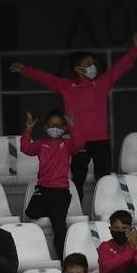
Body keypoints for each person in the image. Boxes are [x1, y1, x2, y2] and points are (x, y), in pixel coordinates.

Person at [10, 35, 137, 199]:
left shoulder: (101, 83)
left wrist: (134, 49)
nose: (93, 67)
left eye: (93, 63)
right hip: (77, 141)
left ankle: (104, 208)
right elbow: (44, 78)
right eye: (89, 64)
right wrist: (24, 70)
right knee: (77, 178)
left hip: (101, 140)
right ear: (78, 69)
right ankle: (78, 211)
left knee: (104, 178)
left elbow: (120, 68)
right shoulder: (66, 86)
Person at [21, 110, 85, 258]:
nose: (54, 128)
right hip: (42, 188)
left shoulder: (67, 144)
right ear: (45, 127)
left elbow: (79, 143)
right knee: (31, 212)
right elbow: (25, 148)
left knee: (59, 228)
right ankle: (52, 210)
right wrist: (28, 129)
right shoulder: (40, 144)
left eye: (58, 125)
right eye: (51, 125)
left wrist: (72, 126)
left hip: (60, 191)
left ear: (63, 128)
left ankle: (63, 260)